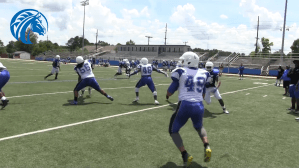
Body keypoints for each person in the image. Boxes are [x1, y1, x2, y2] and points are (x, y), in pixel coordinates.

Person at [166, 52, 212, 166]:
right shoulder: (204, 73)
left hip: (185, 105)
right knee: (199, 127)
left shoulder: (181, 72)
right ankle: (207, 146)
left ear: (188, 61)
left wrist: (167, 95)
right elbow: (203, 94)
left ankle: (185, 155)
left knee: (173, 131)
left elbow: (170, 91)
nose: (182, 62)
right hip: (199, 105)